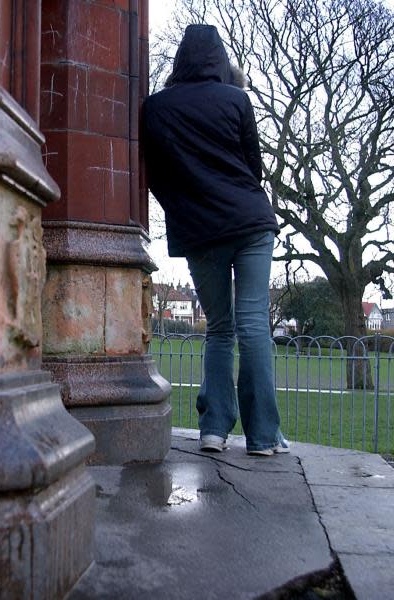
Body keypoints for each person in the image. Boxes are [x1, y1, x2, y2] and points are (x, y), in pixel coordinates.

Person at [141, 24, 288, 456]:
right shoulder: (237, 100)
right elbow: (253, 167)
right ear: (220, 60)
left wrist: (185, 207)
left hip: (200, 230)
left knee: (220, 329)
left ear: (180, 60)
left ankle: (214, 430)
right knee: (254, 325)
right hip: (250, 224)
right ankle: (262, 437)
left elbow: (156, 176)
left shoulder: (154, 108)